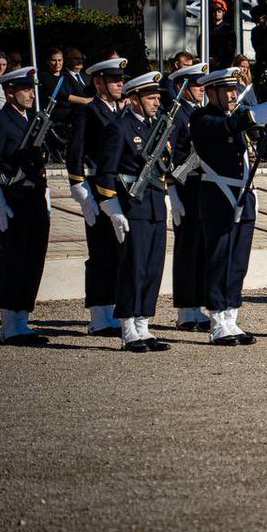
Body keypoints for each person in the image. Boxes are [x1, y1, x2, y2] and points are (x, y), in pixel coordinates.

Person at [190, 67, 267, 344]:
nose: (234, 95)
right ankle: (218, 320)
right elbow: (227, 127)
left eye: (235, 90)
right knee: (220, 258)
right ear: (211, 93)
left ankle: (232, 316)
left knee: (237, 262)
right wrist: (260, 111)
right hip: (219, 196)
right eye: (227, 91)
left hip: (243, 196)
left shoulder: (234, 117)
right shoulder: (202, 118)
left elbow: (244, 129)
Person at [93, 72, 172, 352]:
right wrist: (113, 209)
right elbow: (105, 174)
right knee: (133, 268)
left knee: (152, 269)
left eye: (157, 97)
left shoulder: (156, 128)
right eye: (150, 97)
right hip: (132, 209)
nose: (156, 102)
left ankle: (144, 325)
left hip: (154, 208)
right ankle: (128, 327)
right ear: (134, 100)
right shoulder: (121, 128)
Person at [0, 66, 51, 343]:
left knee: (33, 259)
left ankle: (23, 319)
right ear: (10, 93)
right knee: (13, 260)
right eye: (25, 89)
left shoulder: (32, 119)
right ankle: (9, 322)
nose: (31, 94)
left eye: (32, 89)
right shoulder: (0, 121)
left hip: (34, 199)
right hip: (13, 200)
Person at [66, 58, 126, 336]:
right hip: (95, 186)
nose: (120, 84)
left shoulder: (123, 112)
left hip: (118, 188)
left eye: (121, 79)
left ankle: (112, 308)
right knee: (100, 251)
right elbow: (75, 151)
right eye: (114, 80)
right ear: (98, 81)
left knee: (118, 251)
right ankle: (99, 314)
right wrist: (79, 187)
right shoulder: (88, 111)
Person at [166, 62, 211, 332]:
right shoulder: (177, 115)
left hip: (201, 186)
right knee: (186, 249)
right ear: (183, 86)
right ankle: (185, 310)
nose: (200, 89)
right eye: (195, 84)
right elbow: (168, 155)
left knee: (199, 248)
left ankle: (196, 306)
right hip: (184, 186)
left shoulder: (198, 113)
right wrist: (171, 190)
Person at [209, 0, 236, 67]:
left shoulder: (228, 29)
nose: (216, 13)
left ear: (223, 12)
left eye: (219, 11)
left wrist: (221, 60)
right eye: (214, 11)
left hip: (224, 64)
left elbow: (231, 48)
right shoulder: (207, 28)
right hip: (209, 63)